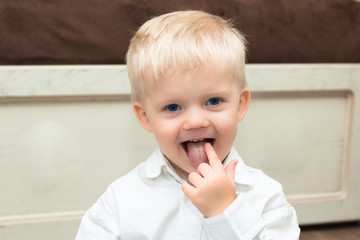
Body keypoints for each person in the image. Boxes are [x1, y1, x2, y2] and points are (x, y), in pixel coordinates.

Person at [75, 10, 300, 239]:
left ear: (240, 105)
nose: (195, 122)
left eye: (213, 101)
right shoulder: (120, 200)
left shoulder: (265, 197)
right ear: (145, 117)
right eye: (173, 107)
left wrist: (225, 212)